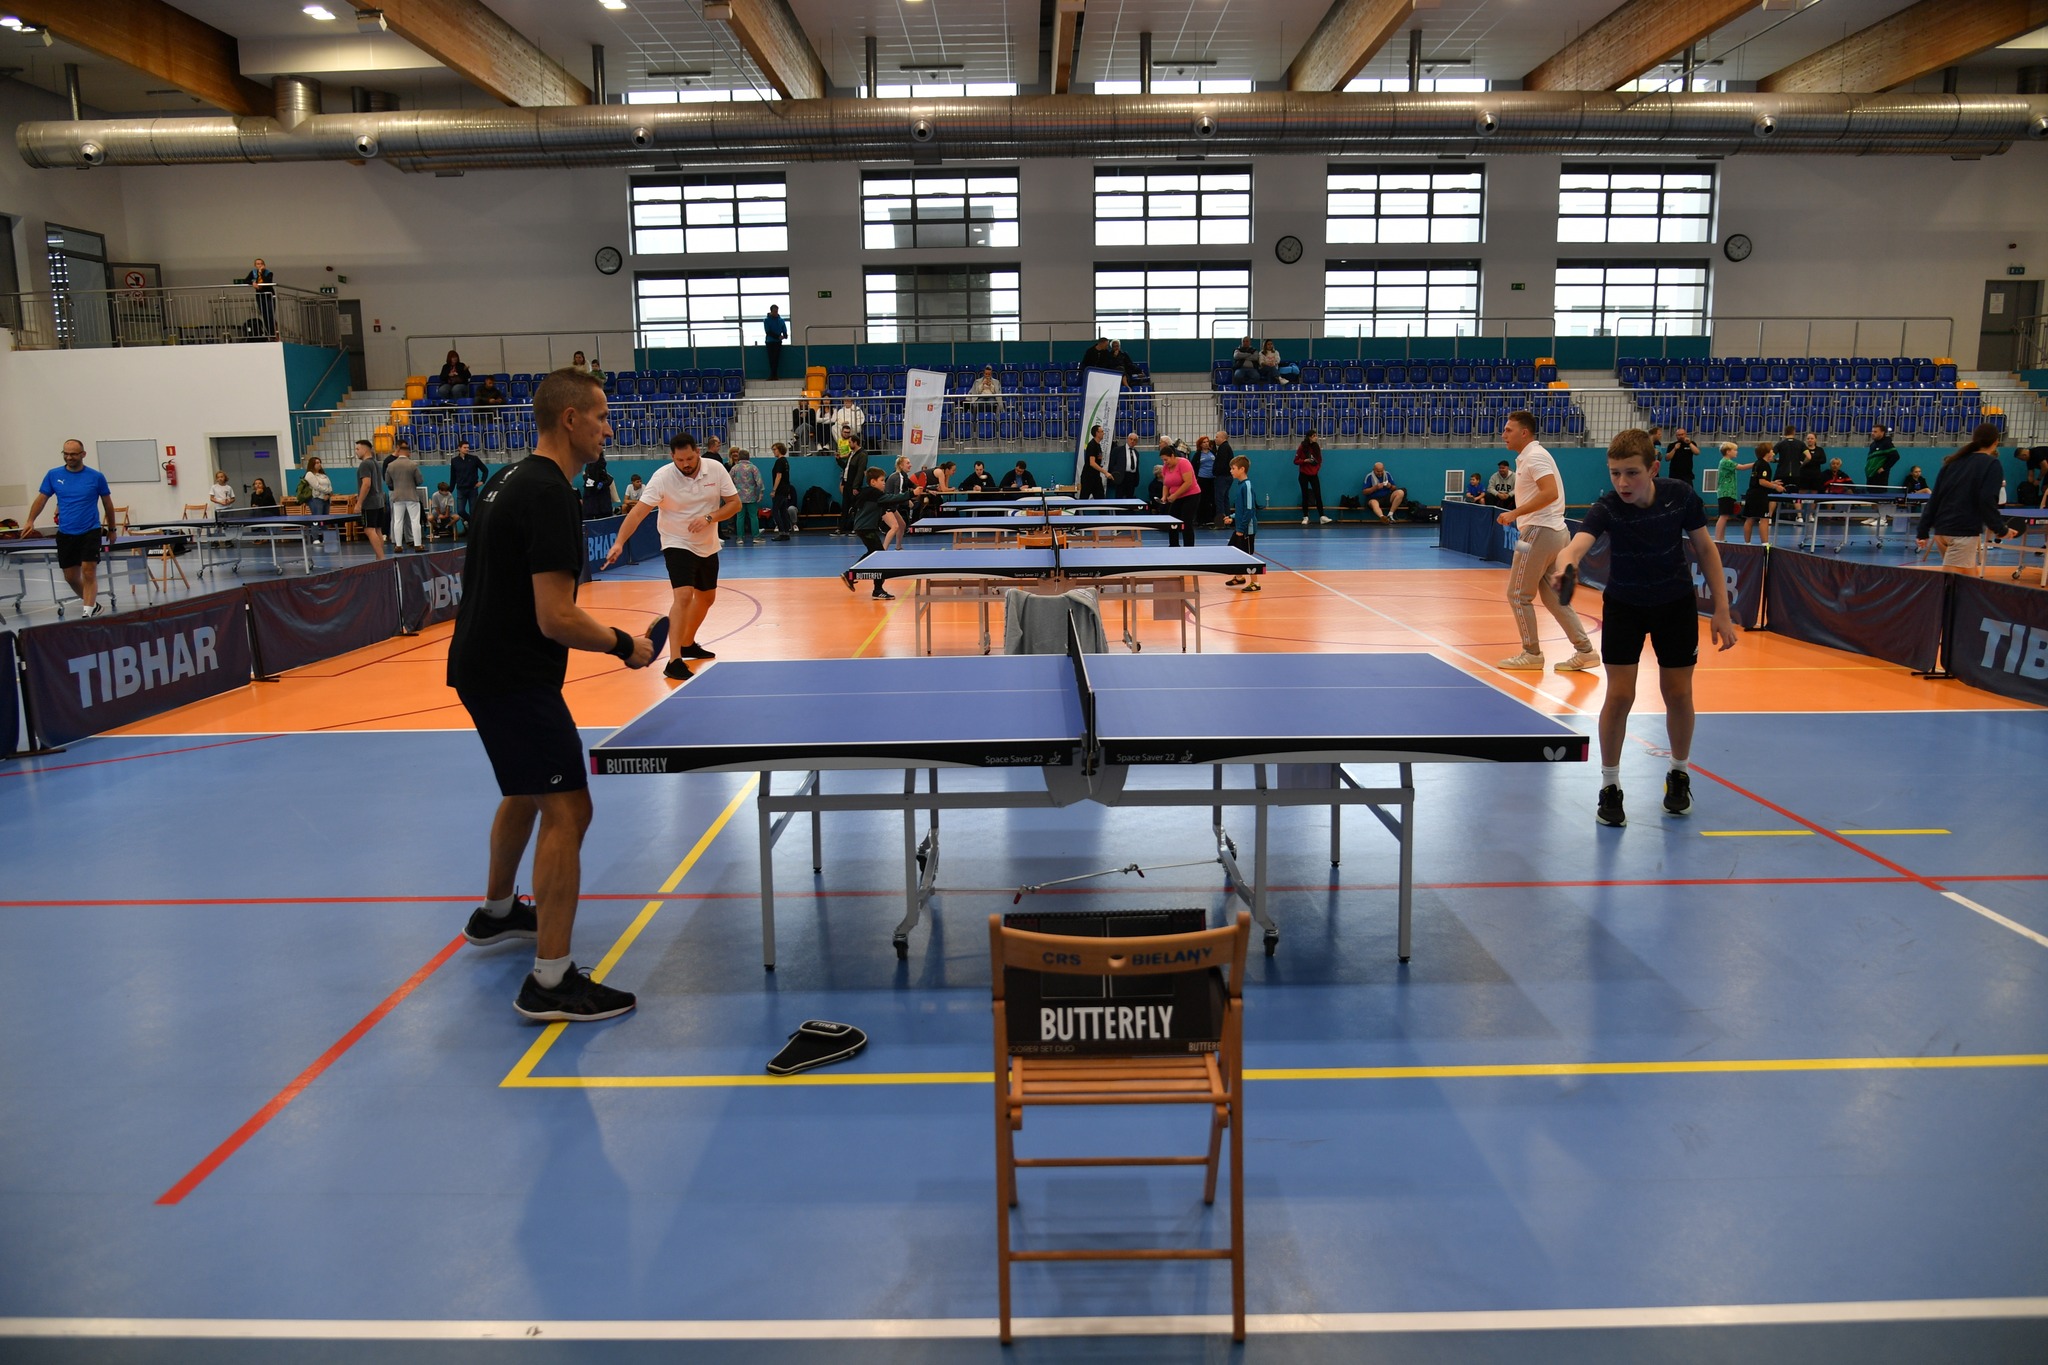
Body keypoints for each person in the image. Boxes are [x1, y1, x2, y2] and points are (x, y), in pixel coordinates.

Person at [450, 367, 658, 1023]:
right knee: (569, 809)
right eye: (601, 416)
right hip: (514, 674)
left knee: (526, 788)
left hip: (482, 664)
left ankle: (497, 912)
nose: (608, 429)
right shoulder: (550, 495)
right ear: (570, 419)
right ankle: (551, 980)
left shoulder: (506, 479)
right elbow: (556, 616)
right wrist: (626, 646)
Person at [1549, 429, 1738, 829]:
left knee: (1678, 693)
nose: (1622, 482)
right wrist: (1566, 564)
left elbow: (1706, 549)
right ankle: (1610, 784)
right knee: (1619, 696)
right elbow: (1576, 545)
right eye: (1615, 473)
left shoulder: (1680, 496)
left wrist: (1721, 609)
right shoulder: (1607, 507)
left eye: (1631, 473)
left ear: (1653, 469)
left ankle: (1679, 773)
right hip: (1625, 607)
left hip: (1675, 605)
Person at [605, 432, 739, 680]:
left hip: (707, 543)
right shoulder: (662, 477)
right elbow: (638, 513)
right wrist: (619, 542)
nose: (685, 464)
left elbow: (734, 504)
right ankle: (674, 660)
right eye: (680, 460)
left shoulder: (715, 469)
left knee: (707, 598)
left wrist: (709, 517)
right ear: (672, 457)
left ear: (697, 452)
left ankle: (687, 644)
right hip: (676, 541)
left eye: (689, 458)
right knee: (684, 596)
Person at [1496, 408, 1599, 674]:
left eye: (1508, 430)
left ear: (1524, 432)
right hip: (1553, 532)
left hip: (1538, 532)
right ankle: (1585, 651)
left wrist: (1515, 513)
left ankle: (1531, 653)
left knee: (1518, 594)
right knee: (1554, 598)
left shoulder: (1535, 457)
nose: (1503, 434)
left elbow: (1550, 492)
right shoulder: (1529, 457)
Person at [23, 438, 115, 617]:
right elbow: (41, 499)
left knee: (88, 571)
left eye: (73, 454)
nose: (69, 457)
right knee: (71, 577)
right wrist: (30, 520)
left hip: (90, 530)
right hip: (66, 533)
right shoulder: (53, 475)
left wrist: (112, 529)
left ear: (83, 454)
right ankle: (94, 606)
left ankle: (87, 614)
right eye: (65, 454)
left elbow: (108, 504)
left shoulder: (96, 477)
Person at [1916, 423, 2019, 571]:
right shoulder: (1992, 464)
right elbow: (1987, 500)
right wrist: (2001, 530)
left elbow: (1935, 499)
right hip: (1962, 533)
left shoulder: (1952, 463)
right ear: (1996, 442)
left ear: (1974, 439)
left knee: (1968, 577)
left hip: (1941, 532)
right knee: (1953, 582)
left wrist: (1923, 531)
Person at [841, 466, 909, 601]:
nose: (884, 483)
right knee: (879, 557)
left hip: (864, 528)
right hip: (866, 529)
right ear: (873, 482)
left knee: (873, 554)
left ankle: (850, 574)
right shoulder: (874, 493)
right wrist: (911, 494)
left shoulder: (870, 493)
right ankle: (876, 590)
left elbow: (884, 504)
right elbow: (892, 498)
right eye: (882, 480)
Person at [1221, 454, 1261, 591]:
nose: (1231, 471)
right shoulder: (1241, 485)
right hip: (1240, 526)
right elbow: (1241, 509)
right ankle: (1239, 577)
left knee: (1247, 556)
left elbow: (1249, 510)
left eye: (1233, 468)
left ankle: (1255, 583)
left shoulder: (1247, 486)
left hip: (1247, 529)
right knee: (1234, 551)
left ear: (1242, 469)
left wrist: (1241, 528)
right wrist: (1232, 517)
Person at [1739, 441, 1782, 545]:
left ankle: (1747, 543)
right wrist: (1775, 486)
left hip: (1751, 494)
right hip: (1760, 496)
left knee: (1750, 518)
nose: (1773, 453)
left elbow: (1759, 480)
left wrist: (1772, 482)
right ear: (1767, 453)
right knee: (1764, 519)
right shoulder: (1764, 465)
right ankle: (1765, 544)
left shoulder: (1757, 463)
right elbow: (1762, 482)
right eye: (1771, 451)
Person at [352, 438, 388, 559]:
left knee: (369, 530)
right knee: (377, 530)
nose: (356, 451)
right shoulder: (375, 463)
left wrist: (359, 503)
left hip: (369, 503)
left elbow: (366, 484)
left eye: (357, 449)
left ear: (365, 450)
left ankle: (381, 558)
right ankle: (380, 558)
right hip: (379, 501)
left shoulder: (365, 464)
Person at [387, 441, 424, 551]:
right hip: (411, 496)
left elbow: (388, 482)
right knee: (415, 521)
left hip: (397, 496)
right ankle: (418, 544)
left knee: (398, 521)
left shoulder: (391, 465)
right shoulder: (413, 464)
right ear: (407, 452)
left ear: (399, 451)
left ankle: (398, 545)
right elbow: (419, 480)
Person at [1711, 441, 1750, 541]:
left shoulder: (1727, 462)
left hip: (1729, 493)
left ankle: (1721, 538)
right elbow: (1742, 467)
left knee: (1725, 516)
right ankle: (1717, 539)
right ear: (1728, 451)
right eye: (1735, 450)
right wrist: (1757, 463)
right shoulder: (1725, 462)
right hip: (1725, 493)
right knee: (1723, 516)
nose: (1736, 452)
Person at [1160, 442, 1200, 543]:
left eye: (1166, 459)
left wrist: (1175, 495)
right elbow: (1166, 484)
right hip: (1176, 497)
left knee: (1186, 522)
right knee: (1172, 521)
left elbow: (1188, 482)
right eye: (1163, 460)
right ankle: (1173, 545)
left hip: (1191, 495)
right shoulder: (1165, 467)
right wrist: (1164, 496)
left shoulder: (1184, 463)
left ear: (1172, 456)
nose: (1165, 462)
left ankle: (1189, 547)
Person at [296, 455, 334, 549]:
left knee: (325, 520)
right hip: (316, 499)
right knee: (316, 519)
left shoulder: (324, 475)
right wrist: (327, 491)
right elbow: (316, 486)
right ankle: (315, 538)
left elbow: (330, 486)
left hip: (326, 499)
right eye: (316, 463)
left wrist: (328, 494)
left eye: (319, 462)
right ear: (312, 464)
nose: (319, 464)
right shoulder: (309, 474)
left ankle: (326, 538)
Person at [729, 447, 765, 546]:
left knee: (740, 517)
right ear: (748, 457)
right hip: (751, 496)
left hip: (738, 497)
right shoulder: (753, 468)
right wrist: (761, 493)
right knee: (753, 516)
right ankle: (756, 537)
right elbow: (759, 482)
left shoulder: (735, 468)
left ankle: (740, 538)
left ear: (739, 457)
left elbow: (728, 481)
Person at [450, 440, 488, 529]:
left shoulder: (474, 459)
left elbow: (485, 470)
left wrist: (482, 481)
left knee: (473, 511)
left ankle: (472, 529)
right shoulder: (454, 461)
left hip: (472, 489)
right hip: (461, 489)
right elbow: (453, 477)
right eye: (465, 447)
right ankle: (471, 523)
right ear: (459, 448)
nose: (467, 449)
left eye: (468, 447)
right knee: (460, 511)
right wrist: (450, 490)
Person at [1295, 430, 1329, 525]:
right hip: (1303, 475)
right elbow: (1296, 461)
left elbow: (1319, 460)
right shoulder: (1302, 447)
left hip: (1313, 475)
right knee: (1305, 495)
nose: (1316, 437)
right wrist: (1304, 461)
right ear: (1309, 437)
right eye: (1314, 436)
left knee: (1318, 494)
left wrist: (1316, 469)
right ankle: (1305, 516)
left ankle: (1322, 516)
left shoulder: (1316, 447)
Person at [881, 455, 915, 549]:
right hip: (886, 505)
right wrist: (907, 501)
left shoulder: (903, 476)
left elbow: (913, 486)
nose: (910, 465)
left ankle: (898, 548)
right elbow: (897, 496)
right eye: (908, 463)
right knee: (895, 527)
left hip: (891, 505)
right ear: (901, 465)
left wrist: (928, 490)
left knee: (902, 525)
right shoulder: (898, 477)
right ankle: (883, 550)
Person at [769, 442, 797, 538]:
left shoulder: (779, 461)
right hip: (785, 489)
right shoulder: (785, 461)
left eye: (775, 449)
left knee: (775, 511)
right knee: (783, 511)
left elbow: (779, 476)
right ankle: (786, 532)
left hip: (780, 490)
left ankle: (781, 532)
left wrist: (774, 490)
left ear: (780, 450)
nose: (773, 451)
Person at [243, 257, 276, 338]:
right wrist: (252, 282)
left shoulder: (269, 273)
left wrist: (261, 273)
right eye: (258, 264)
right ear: (255, 265)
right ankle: (269, 333)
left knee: (270, 314)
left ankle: (273, 333)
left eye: (261, 264)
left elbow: (267, 281)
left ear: (264, 265)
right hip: (260, 295)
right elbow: (245, 280)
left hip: (269, 295)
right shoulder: (253, 272)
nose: (260, 265)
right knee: (264, 315)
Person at [578, 452, 615, 520]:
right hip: (591, 494)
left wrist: (602, 483)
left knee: (605, 514)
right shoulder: (589, 466)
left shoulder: (601, 464)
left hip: (602, 495)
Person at [1193, 435, 1220, 526]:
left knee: (1212, 499)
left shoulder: (1213, 453)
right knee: (1203, 499)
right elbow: (1194, 466)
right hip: (1202, 478)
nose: (1206, 444)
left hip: (1212, 478)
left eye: (1207, 441)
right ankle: (1201, 519)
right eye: (1204, 442)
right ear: (1200, 444)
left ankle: (1211, 518)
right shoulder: (1198, 455)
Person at [1108, 429, 1140, 501]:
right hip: (1121, 477)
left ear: (1136, 442)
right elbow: (1112, 464)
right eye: (1131, 439)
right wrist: (1114, 476)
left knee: (1130, 498)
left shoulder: (1136, 453)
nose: (1132, 441)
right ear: (1127, 439)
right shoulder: (1118, 450)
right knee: (1119, 498)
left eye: (1134, 440)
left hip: (1132, 478)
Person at [1080, 425, 1107, 499]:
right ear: (1097, 433)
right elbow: (1092, 463)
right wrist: (1105, 472)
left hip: (1096, 477)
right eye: (1102, 431)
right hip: (1088, 478)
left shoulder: (1098, 445)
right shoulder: (1092, 445)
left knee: (1101, 499)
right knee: (1083, 500)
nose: (1103, 433)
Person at [763, 304, 788, 380]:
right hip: (770, 342)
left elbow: (784, 329)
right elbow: (768, 332)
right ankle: (772, 375)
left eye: (777, 311)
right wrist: (778, 336)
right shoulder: (766, 320)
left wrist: (785, 335)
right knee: (771, 359)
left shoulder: (781, 320)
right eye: (774, 311)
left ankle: (775, 375)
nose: (776, 313)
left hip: (778, 342)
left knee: (776, 358)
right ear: (771, 311)